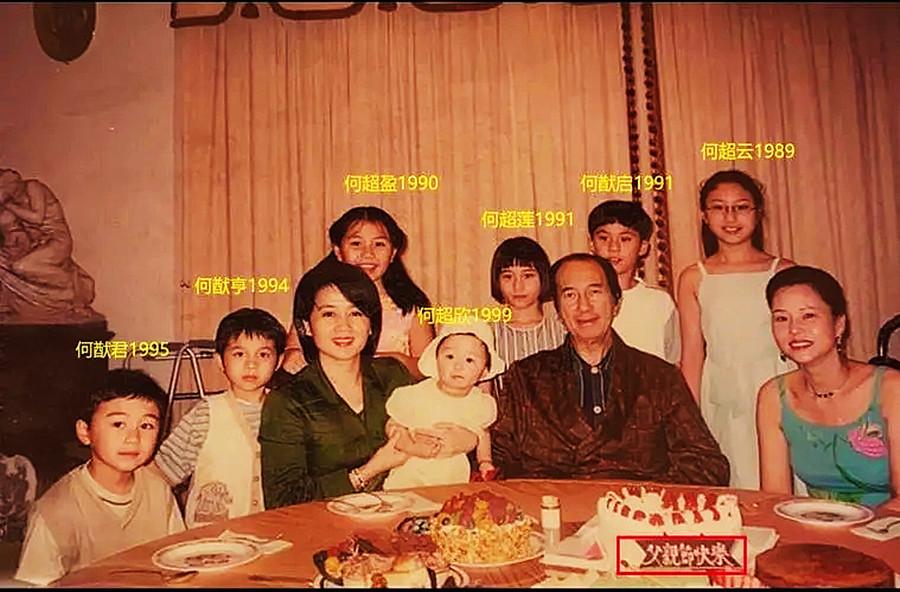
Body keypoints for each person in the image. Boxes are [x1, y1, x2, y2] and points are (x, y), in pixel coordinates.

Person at [491, 253, 729, 486]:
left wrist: (641, 498)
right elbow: (498, 463)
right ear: (559, 311)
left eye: (594, 292)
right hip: (551, 507)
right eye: (570, 295)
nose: (584, 306)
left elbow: (706, 464)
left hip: (636, 509)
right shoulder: (526, 378)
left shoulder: (659, 377)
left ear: (616, 303)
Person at [260, 257, 478, 507]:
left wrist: (466, 440)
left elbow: (446, 429)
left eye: (356, 313)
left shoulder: (393, 375)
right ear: (306, 326)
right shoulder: (287, 401)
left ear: (371, 325)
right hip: (324, 525)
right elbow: (283, 500)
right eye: (329, 314)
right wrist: (368, 471)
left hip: (407, 515)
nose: (344, 326)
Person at [677, 169, 795, 490]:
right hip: (723, 396)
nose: (730, 217)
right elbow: (693, 354)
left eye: (741, 207)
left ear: (758, 213)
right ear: (705, 216)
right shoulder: (694, 277)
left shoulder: (783, 271)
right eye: (719, 207)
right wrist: (688, 420)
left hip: (778, 385)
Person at [14, 370, 184, 586]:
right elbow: (35, 582)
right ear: (85, 432)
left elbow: (179, 563)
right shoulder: (55, 511)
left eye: (146, 426)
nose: (133, 438)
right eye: (118, 424)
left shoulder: (158, 490)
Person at [758, 266, 900, 508]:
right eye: (781, 318)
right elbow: (776, 500)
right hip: (820, 526)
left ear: (839, 325)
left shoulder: (891, 390)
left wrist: (856, 528)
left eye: (808, 316)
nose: (794, 329)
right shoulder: (774, 396)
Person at [152, 307, 286, 528]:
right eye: (239, 354)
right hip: (210, 536)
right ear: (220, 361)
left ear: (278, 361)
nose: (251, 364)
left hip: (272, 533)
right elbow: (162, 473)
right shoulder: (205, 414)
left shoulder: (287, 412)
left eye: (263, 355)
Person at [281, 207, 435, 378]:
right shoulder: (320, 298)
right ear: (338, 251)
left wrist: (397, 361)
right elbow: (294, 346)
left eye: (379, 244)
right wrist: (292, 353)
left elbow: (429, 368)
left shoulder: (412, 306)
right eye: (356, 243)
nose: (368, 253)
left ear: (393, 253)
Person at [382, 322, 505, 490]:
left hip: (452, 479)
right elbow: (393, 424)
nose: (458, 366)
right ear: (436, 360)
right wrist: (409, 445)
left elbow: (482, 434)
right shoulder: (416, 394)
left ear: (484, 371)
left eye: (469, 360)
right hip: (410, 475)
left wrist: (485, 461)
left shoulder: (479, 403)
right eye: (450, 357)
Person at [588, 200, 680, 364]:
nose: (614, 247)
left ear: (643, 247)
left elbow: (674, 359)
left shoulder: (659, 302)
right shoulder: (581, 300)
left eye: (625, 239)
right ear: (592, 244)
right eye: (604, 238)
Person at [0, 169, 98, 321]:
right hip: (36, 244)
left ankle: (72, 287)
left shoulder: (32, 187)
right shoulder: (14, 202)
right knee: (4, 262)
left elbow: (37, 218)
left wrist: (8, 205)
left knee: (21, 267)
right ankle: (9, 305)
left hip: (57, 240)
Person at [489, 238, 567, 383]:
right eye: (508, 276)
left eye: (527, 276)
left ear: (543, 277)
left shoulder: (563, 331)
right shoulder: (487, 335)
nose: (518, 286)